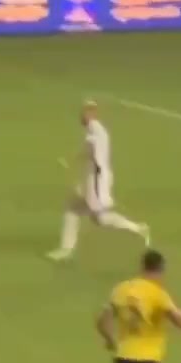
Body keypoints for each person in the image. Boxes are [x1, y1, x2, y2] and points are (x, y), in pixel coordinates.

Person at [47, 100, 150, 262]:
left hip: (97, 181)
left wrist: (71, 160)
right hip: (94, 179)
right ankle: (66, 249)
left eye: (85, 112)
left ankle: (138, 229)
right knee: (76, 209)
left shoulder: (96, 130)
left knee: (98, 217)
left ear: (91, 114)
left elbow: (90, 149)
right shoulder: (94, 129)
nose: (81, 115)